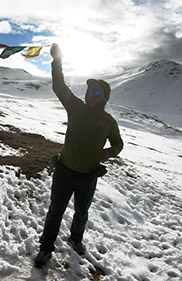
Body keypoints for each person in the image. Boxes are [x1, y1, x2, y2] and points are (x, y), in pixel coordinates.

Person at [34, 44, 124, 267]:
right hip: (64, 172)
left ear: (104, 98)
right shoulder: (75, 107)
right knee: (55, 212)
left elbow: (119, 143)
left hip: (87, 177)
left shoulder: (108, 122)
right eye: (89, 91)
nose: (90, 95)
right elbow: (59, 86)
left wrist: (108, 152)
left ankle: (76, 239)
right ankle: (46, 248)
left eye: (96, 93)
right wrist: (57, 60)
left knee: (82, 213)